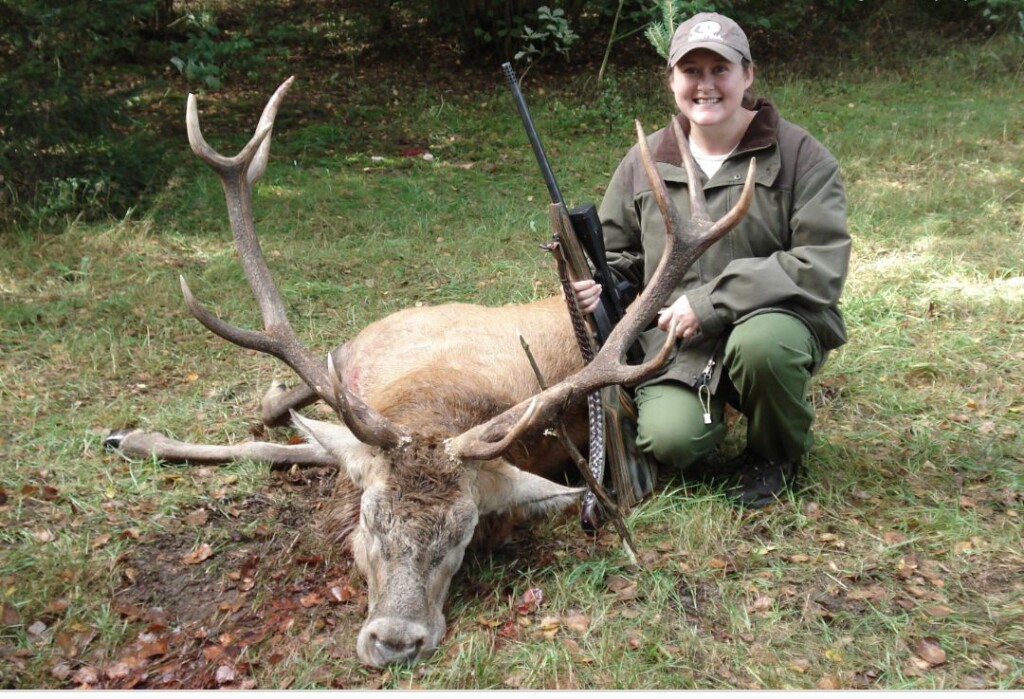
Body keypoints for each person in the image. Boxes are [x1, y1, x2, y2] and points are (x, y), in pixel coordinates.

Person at [573, 12, 851, 508]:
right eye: (691, 71)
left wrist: (711, 302)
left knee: (762, 347)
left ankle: (776, 454)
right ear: (671, 81)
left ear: (748, 75)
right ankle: (711, 406)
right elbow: (619, 257)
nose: (706, 85)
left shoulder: (800, 156)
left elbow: (820, 265)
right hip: (681, 343)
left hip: (773, 321)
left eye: (720, 69)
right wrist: (597, 285)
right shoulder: (645, 160)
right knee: (671, 442)